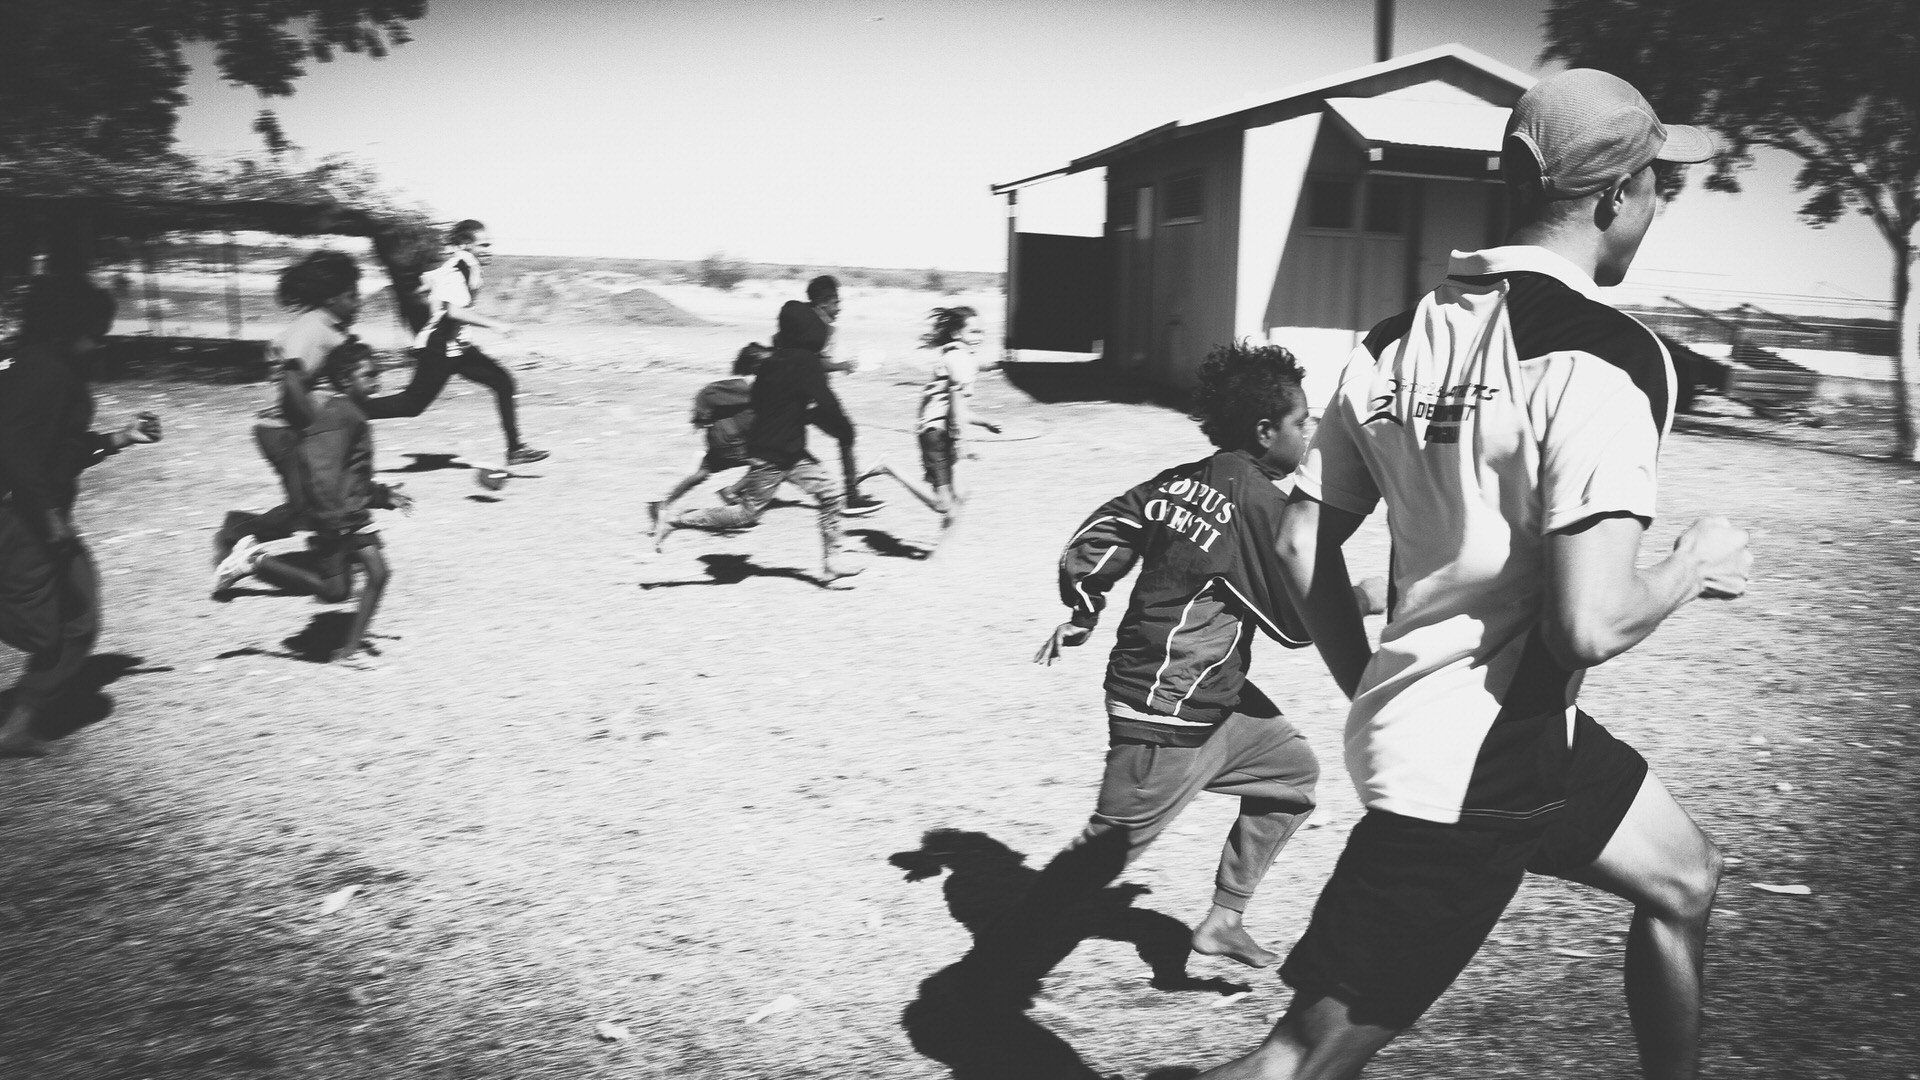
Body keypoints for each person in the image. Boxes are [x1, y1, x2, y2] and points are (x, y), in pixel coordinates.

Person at [1196, 69, 1750, 1080]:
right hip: (1477, 774)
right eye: (1662, 183)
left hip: (1519, 741)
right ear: (1616, 196)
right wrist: (1692, 563)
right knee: (1296, 1063)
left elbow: (1295, 549)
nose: (1663, 204)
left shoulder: (1394, 340)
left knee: (1684, 878)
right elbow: (1589, 624)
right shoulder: (1609, 355)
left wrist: (1369, 681)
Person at [1008, 342, 1326, 973]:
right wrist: (1373, 596)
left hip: (1211, 698)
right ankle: (991, 970)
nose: (1311, 431)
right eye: (1303, 422)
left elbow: (1102, 532)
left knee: (1290, 777)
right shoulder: (1262, 506)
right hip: (1167, 709)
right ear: (1266, 432)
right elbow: (1297, 622)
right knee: (1104, 852)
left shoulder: (1178, 481)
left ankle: (1222, 922)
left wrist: (1083, 609)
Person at [0, 276, 163, 756]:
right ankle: (15, 727)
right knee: (60, 624)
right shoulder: (53, 373)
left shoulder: (11, 357)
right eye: (95, 330)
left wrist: (120, 438)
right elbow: (19, 452)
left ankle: (18, 724)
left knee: (74, 607)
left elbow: (53, 449)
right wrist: (50, 519)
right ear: (66, 328)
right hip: (19, 517)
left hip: (20, 510)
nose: (100, 342)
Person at [215, 339, 413, 663]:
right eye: (369, 375)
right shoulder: (342, 415)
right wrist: (334, 517)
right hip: (340, 517)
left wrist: (384, 495)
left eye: (377, 373)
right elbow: (321, 469)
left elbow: (352, 475)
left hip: (347, 513)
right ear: (347, 379)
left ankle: (258, 563)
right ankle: (253, 561)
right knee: (373, 576)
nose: (377, 381)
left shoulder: (349, 413)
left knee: (337, 590)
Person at [651, 294, 864, 584]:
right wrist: (843, 430)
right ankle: (676, 520)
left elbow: (770, 405)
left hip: (788, 450)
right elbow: (826, 404)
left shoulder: (772, 363)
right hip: (775, 453)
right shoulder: (805, 362)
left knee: (830, 495)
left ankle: (832, 562)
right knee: (746, 514)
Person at [212, 250, 366, 587]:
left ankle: (247, 530)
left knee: (313, 503)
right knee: (306, 508)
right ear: (331, 297)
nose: (359, 302)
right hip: (283, 429)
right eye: (353, 295)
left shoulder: (326, 325)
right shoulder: (313, 327)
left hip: (293, 429)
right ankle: (237, 534)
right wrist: (312, 431)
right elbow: (293, 381)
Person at [360, 219, 548, 467]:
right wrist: (495, 324)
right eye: (484, 245)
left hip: (457, 347)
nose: (489, 250)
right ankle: (350, 411)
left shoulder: (460, 264)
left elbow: (434, 280)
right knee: (412, 405)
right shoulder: (462, 264)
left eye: (489, 245)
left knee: (503, 382)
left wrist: (426, 284)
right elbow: (452, 310)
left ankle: (515, 450)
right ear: (465, 245)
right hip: (439, 347)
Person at [859, 305, 1001, 522]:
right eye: (973, 332)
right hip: (936, 436)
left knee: (957, 497)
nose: (979, 337)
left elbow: (956, 408)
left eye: (981, 332)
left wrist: (984, 423)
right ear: (956, 334)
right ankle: (888, 467)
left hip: (940, 433)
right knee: (943, 504)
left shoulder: (958, 357)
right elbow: (955, 404)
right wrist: (964, 443)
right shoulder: (960, 360)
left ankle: (941, 551)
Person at [783, 274, 883, 515]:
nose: (839, 307)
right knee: (846, 433)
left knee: (781, 445)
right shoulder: (824, 329)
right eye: (836, 302)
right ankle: (851, 495)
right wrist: (844, 366)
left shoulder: (796, 322)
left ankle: (737, 490)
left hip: (790, 393)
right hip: (811, 396)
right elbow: (816, 363)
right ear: (824, 302)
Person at [647, 342, 769, 531]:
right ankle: (734, 494)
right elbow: (707, 392)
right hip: (730, 438)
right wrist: (702, 418)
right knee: (768, 462)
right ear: (756, 366)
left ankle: (662, 505)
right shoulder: (748, 385)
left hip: (725, 437)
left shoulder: (758, 385)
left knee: (702, 473)